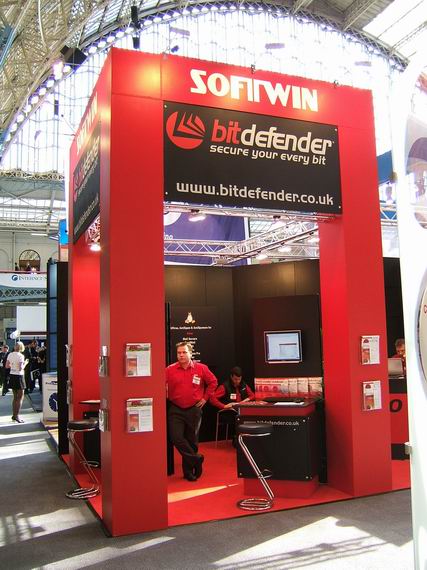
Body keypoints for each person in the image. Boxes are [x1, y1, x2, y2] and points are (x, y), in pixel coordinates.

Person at [166, 342, 217, 481]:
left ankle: (188, 472)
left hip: (194, 409)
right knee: (176, 437)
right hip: (175, 408)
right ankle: (196, 459)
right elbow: (159, 383)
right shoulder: (169, 370)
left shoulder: (201, 368)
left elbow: (213, 382)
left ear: (190, 353)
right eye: (179, 353)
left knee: (192, 440)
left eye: (184, 352)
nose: (181, 355)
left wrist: (205, 398)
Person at [210, 366, 255, 444]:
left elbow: (252, 395)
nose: (237, 381)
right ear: (231, 377)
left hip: (241, 409)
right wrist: (224, 406)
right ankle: (237, 439)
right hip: (228, 412)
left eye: (239, 379)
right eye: (235, 379)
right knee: (239, 417)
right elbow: (212, 399)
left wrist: (245, 401)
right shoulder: (224, 386)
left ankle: (247, 439)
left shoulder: (243, 385)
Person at [6, 341, 28, 423]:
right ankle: (17, 416)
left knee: (15, 397)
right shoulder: (21, 356)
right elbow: (20, 368)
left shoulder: (10, 354)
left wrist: (13, 365)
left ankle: (14, 415)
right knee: (20, 397)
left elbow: (7, 366)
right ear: (22, 348)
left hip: (12, 375)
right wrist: (25, 363)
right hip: (19, 376)